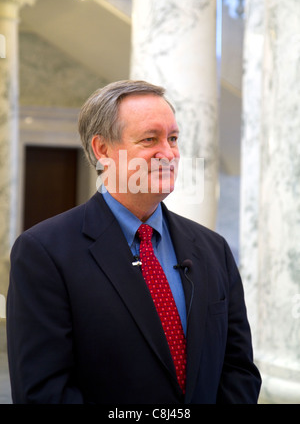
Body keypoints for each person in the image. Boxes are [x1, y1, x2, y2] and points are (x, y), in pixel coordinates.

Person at [6, 80, 261, 404]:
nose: (168, 153)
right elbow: (43, 392)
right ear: (103, 151)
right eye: (149, 139)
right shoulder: (44, 253)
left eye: (173, 138)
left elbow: (238, 369)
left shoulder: (213, 249)